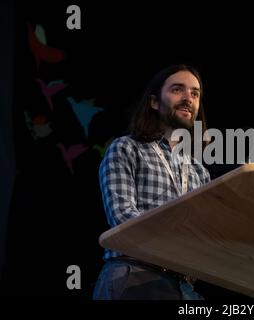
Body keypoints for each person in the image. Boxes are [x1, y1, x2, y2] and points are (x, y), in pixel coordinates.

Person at [93, 64, 211, 300]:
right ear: (154, 102)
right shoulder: (126, 148)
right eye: (178, 90)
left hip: (184, 286)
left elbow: (206, 235)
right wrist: (184, 245)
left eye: (195, 93)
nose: (188, 98)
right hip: (135, 275)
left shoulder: (200, 172)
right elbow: (124, 218)